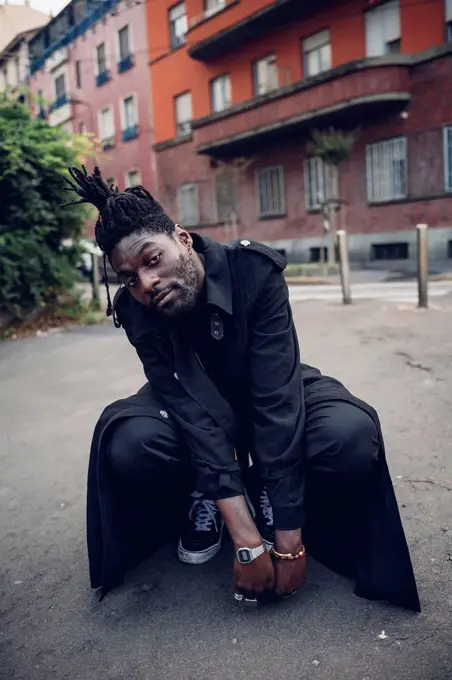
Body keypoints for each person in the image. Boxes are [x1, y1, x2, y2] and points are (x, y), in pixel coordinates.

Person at [64, 166, 420, 611]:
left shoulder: (252, 270)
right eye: (130, 277)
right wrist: (248, 541)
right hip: (190, 403)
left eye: (152, 260)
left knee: (348, 435)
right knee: (131, 442)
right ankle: (205, 490)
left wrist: (289, 540)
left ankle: (271, 487)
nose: (146, 283)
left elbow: (276, 400)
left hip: (270, 385)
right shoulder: (136, 311)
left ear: (183, 238)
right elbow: (188, 410)